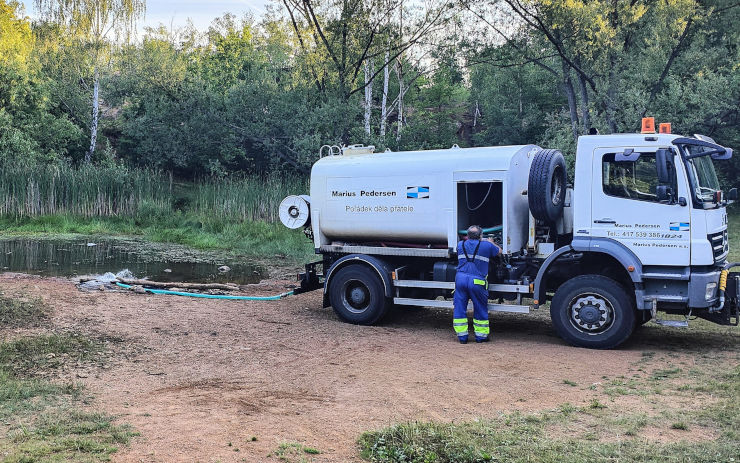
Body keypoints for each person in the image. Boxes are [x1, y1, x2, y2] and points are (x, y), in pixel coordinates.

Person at [453, 225, 500, 344]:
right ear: (480, 235)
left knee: (459, 308)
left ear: (467, 236)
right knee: (479, 308)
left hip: (461, 280)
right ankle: (481, 337)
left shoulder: (460, 245)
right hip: (477, 282)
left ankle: (462, 337)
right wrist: (491, 242)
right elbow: (499, 251)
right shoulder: (487, 245)